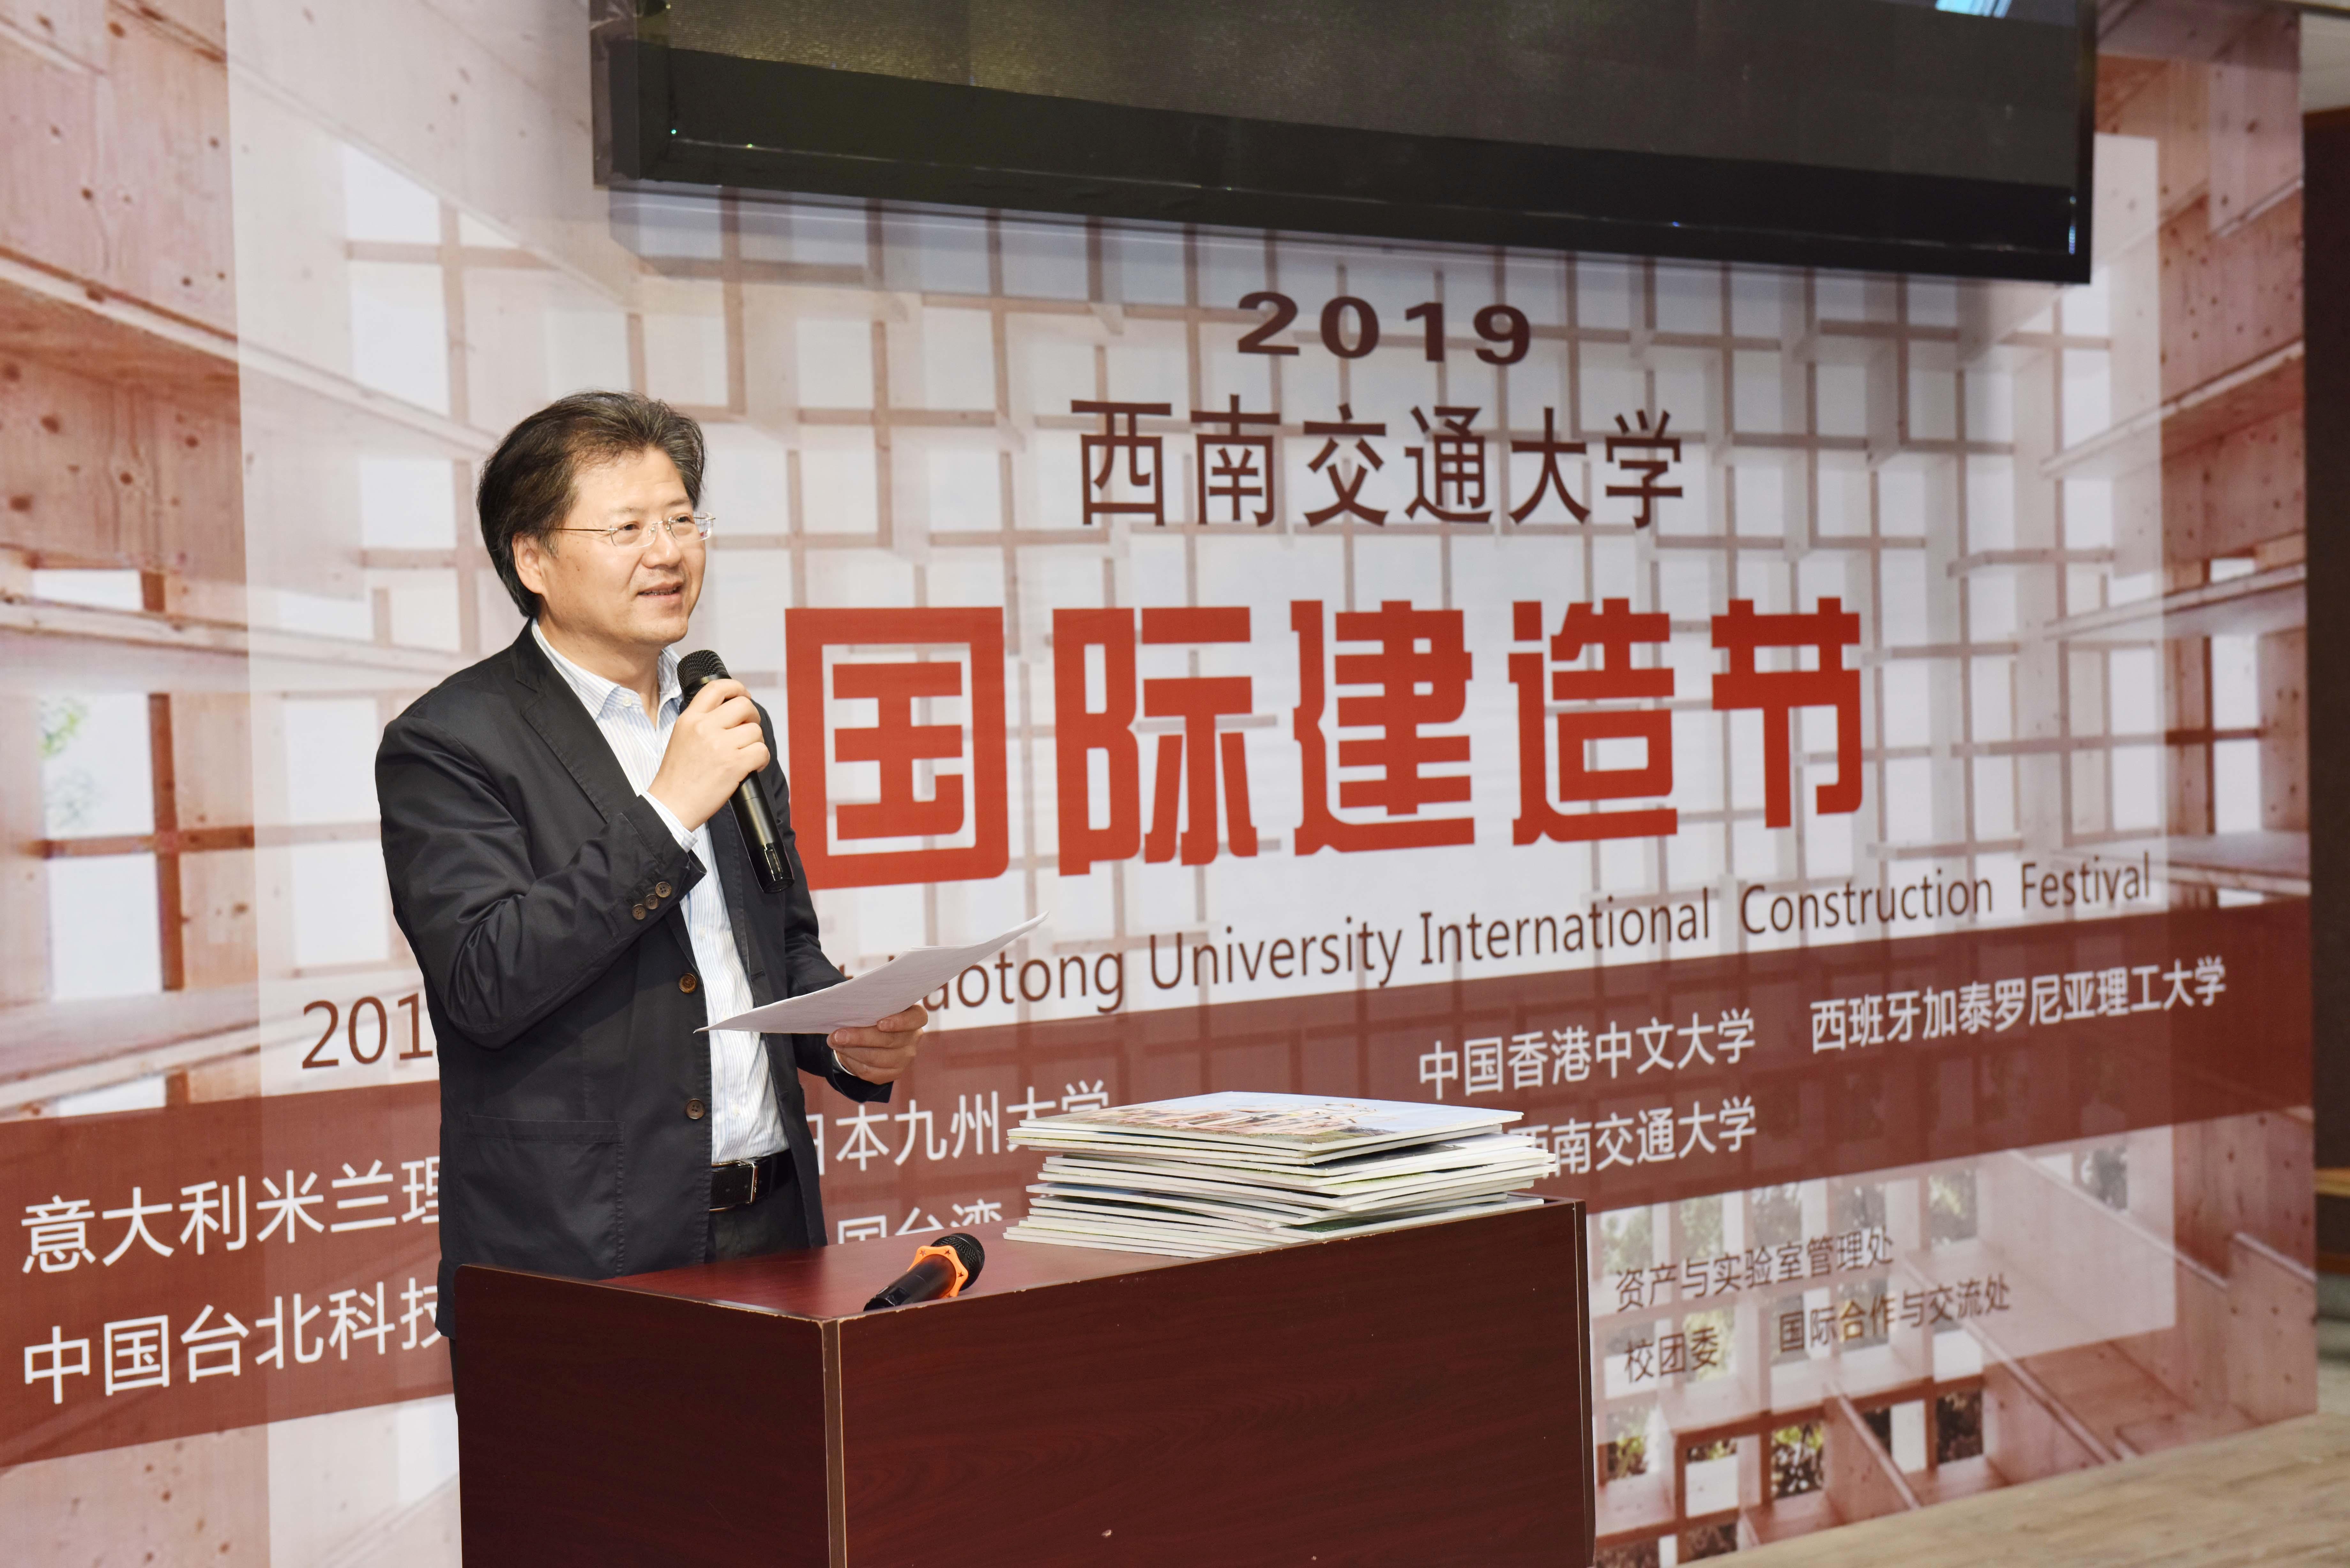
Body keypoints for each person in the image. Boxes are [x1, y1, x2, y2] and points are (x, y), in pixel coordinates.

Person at [376, 390, 926, 1338]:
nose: (667, 552)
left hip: (774, 1230)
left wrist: (839, 1032)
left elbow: (778, 944)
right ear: (533, 559)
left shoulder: (722, 714)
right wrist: (669, 810)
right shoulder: (451, 742)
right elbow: (484, 981)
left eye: (681, 520)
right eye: (627, 528)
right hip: (577, 1255)